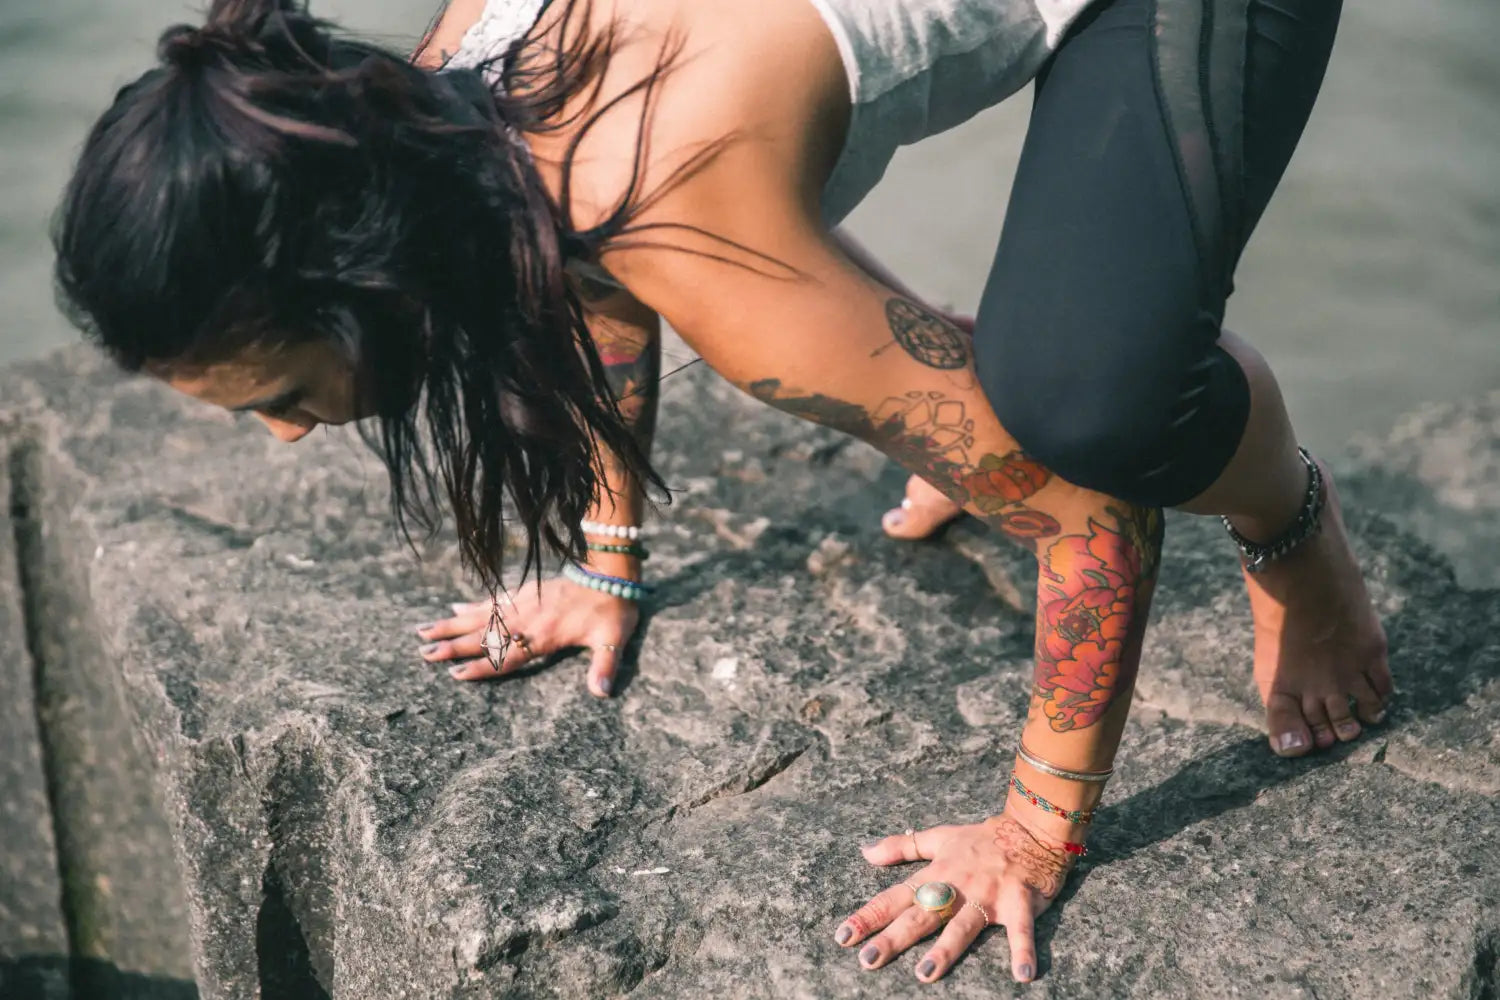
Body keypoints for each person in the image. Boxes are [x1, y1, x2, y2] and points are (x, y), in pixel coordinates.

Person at [52, 0, 1392, 984]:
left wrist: (1034, 832)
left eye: (282, 397)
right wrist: (604, 562)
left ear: (361, 289)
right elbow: (569, 264)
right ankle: (1011, 380)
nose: (287, 437)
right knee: (1011, 395)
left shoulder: (696, 236)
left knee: (1089, 417)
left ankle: (1289, 516)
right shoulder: (436, 97)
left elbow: (1086, 519)